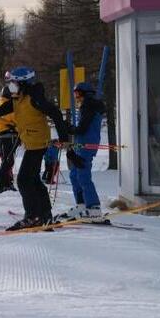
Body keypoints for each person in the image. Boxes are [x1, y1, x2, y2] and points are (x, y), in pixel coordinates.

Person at [0, 67, 69, 231]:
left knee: (23, 180)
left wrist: (63, 138)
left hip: (38, 142)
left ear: (22, 83)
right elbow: (0, 111)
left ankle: (32, 217)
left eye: (13, 83)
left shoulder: (34, 97)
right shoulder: (19, 98)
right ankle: (45, 215)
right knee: (33, 180)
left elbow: (56, 114)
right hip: (31, 142)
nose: (10, 86)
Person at [59, 82, 106, 221]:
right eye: (75, 94)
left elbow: (82, 129)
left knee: (83, 175)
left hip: (87, 145)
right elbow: (80, 130)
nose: (76, 97)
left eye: (78, 94)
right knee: (74, 174)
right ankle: (82, 205)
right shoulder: (85, 106)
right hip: (81, 144)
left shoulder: (89, 106)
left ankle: (94, 208)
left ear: (87, 93)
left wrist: (68, 127)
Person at [0, 85, 18, 195]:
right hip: (9, 135)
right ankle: (0, 185)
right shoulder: (8, 105)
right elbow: (14, 118)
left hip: (0, 135)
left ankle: (6, 183)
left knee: (6, 160)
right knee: (8, 161)